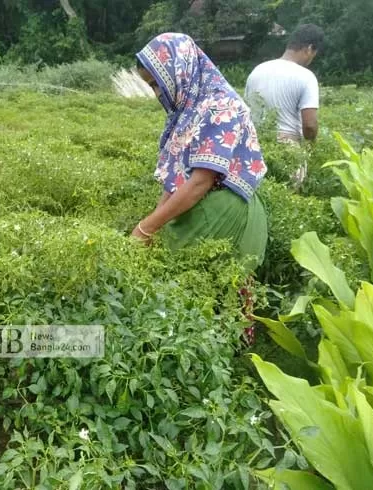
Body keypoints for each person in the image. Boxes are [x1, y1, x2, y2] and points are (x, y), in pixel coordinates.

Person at [131, 33, 269, 345]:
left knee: (226, 295)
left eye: (156, 83)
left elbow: (200, 182)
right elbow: (175, 181)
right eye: (151, 85)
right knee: (198, 294)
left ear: (177, 71)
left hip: (230, 211)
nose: (156, 93)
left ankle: (233, 367)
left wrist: (145, 229)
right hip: (207, 207)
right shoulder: (189, 109)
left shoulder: (220, 104)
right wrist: (151, 225)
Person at [245, 24, 325, 184]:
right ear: (309, 48)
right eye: (313, 54)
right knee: (290, 200)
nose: (311, 59)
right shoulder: (306, 77)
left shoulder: (257, 71)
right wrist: (311, 146)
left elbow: (247, 110)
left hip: (255, 146)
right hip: (289, 150)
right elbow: (309, 124)